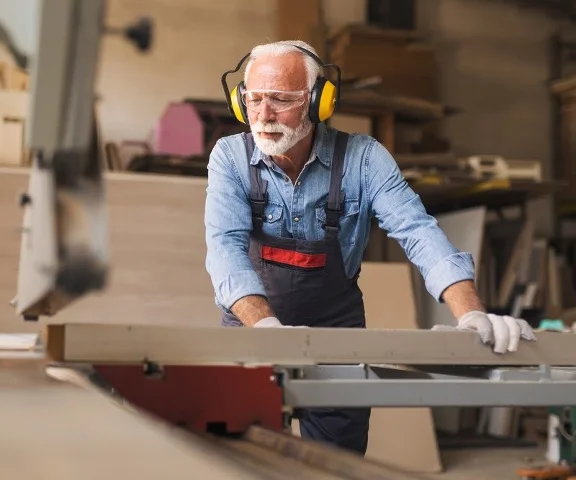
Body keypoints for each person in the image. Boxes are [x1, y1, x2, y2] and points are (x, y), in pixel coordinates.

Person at [203, 40, 536, 456]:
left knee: (338, 461)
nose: (263, 116)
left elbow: (418, 231)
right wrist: (268, 331)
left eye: (281, 100)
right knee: (243, 457)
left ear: (318, 101)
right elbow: (225, 247)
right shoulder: (229, 157)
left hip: (335, 332)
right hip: (251, 329)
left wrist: (470, 313)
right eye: (254, 100)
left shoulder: (364, 158)